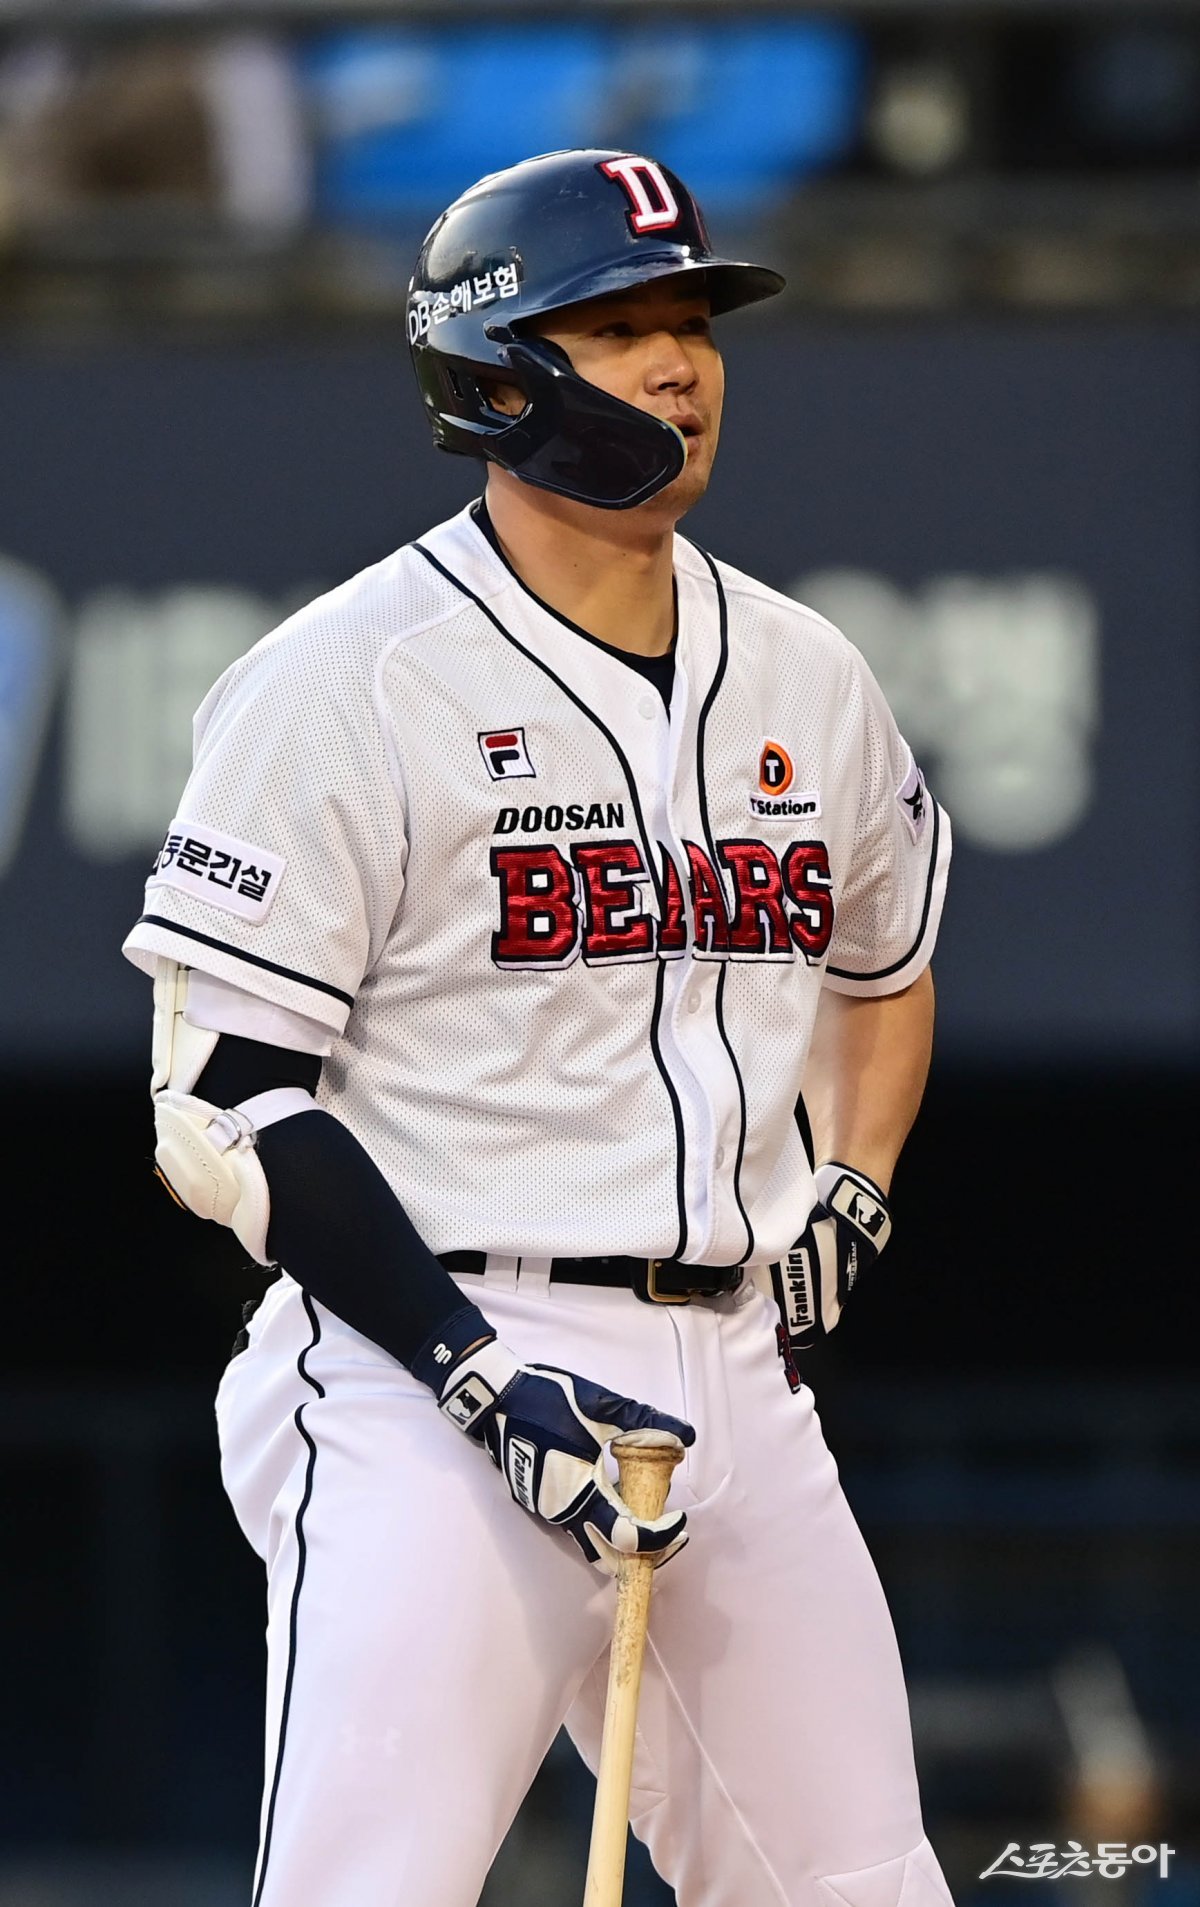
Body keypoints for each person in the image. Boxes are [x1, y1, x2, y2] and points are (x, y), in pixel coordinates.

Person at [123, 149, 955, 1907]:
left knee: (863, 1890)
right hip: (428, 1361)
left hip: (731, 1366)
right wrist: (470, 1367)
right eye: (618, 324)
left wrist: (856, 1175)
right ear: (497, 375)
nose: (681, 364)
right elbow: (224, 1104)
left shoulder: (809, 672)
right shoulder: (348, 679)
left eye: (695, 321)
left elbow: (884, 971)